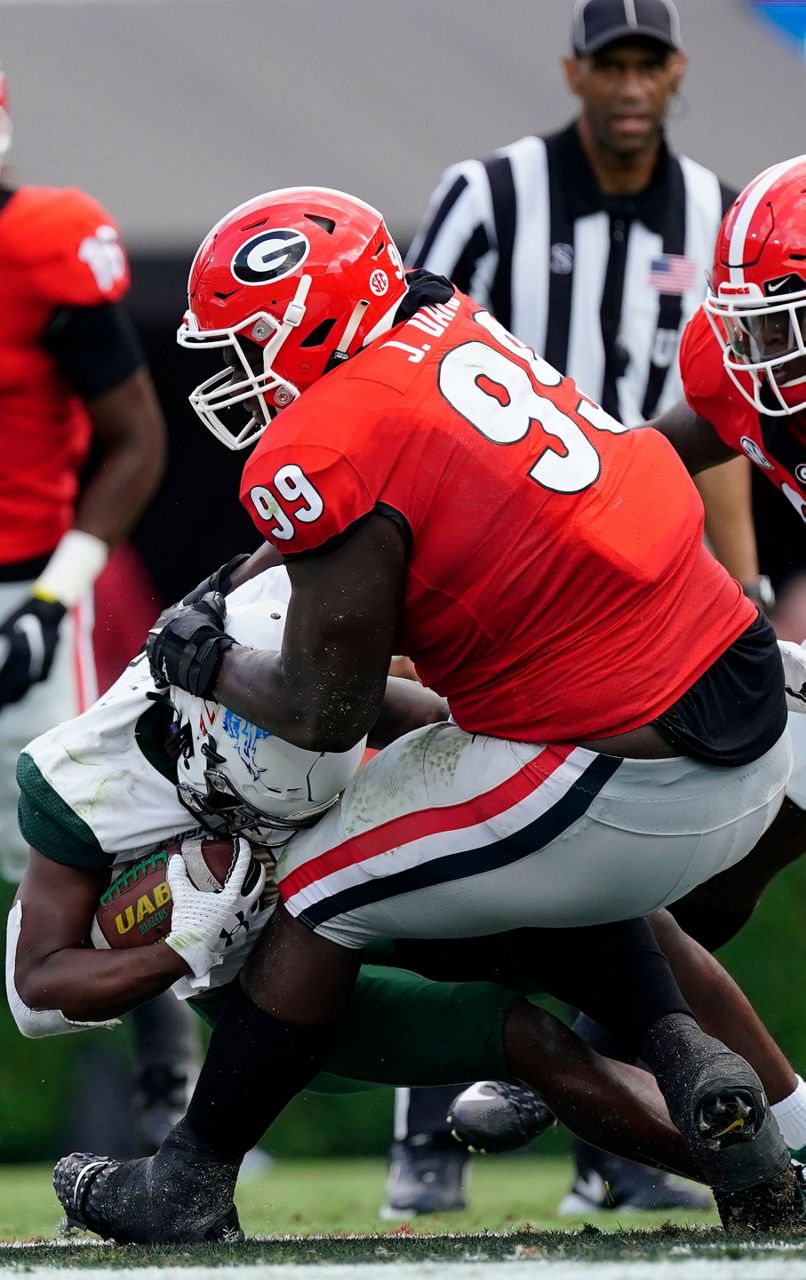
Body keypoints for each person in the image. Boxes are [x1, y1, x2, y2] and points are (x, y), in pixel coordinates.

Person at [49, 184, 800, 1243]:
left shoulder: (332, 440)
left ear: (316, 321)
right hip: (729, 699)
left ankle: (190, 1176)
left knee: (316, 891)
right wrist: (240, 581)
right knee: (489, 830)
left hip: (623, 766)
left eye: (250, 342)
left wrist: (205, 658)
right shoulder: (442, 323)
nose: (236, 374)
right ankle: (684, 1054)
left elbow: (323, 711)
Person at [397, 0, 768, 1215]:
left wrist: (745, 590)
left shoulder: (716, 213)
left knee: (660, 854)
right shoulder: (493, 194)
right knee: (460, 812)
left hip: (645, 573)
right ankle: (438, 1124)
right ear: (573, 71)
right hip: (509, 557)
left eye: (644, 60)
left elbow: (718, 439)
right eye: (606, 61)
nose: (625, 83)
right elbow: (410, 367)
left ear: (673, 71)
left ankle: (609, 1112)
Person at [439, 150, 806, 1179]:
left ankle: (606, 1027)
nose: (757, 348)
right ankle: (618, 1023)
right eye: (751, 317)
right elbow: (638, 468)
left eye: (782, 318)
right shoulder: (744, 370)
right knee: (736, 827)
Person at [0, 25, 195, 1150]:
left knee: (53, 840)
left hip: (15, 585)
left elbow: (135, 438)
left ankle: (161, 1061)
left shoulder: (48, 243)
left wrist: (59, 596)